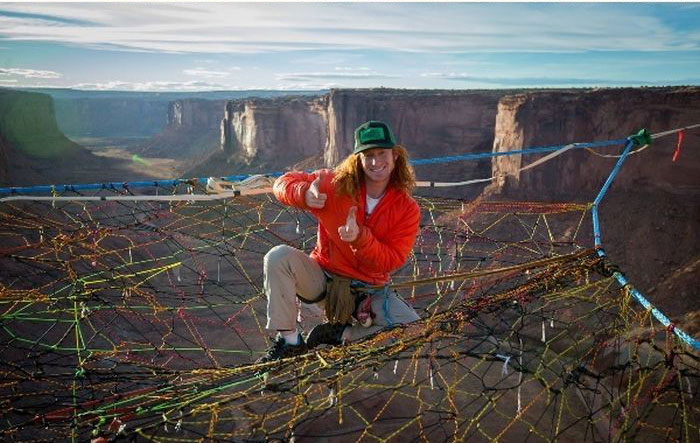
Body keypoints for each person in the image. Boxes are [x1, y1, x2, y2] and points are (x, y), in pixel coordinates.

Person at [258, 120, 421, 363]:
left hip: (369, 291)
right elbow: (282, 183)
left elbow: (391, 260)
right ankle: (291, 341)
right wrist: (304, 194)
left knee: (414, 331)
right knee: (278, 257)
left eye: (382, 153)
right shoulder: (334, 185)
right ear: (358, 160)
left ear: (395, 156)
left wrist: (359, 238)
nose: (376, 162)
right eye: (368, 155)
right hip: (323, 280)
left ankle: (340, 334)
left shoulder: (407, 209)